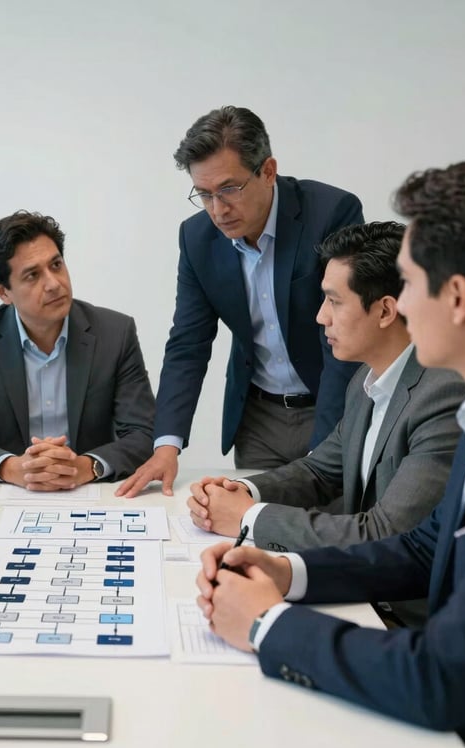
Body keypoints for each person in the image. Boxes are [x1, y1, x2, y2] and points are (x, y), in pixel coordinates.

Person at [195, 157, 465, 748]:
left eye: (411, 283)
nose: (403, 303)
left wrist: (265, 626)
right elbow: (423, 548)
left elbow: (443, 677)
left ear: (458, 298)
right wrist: (286, 573)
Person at [118, 106, 364, 498]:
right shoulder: (197, 238)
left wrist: (325, 446)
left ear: (268, 171)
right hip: (258, 418)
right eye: (204, 194)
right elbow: (188, 344)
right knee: (250, 534)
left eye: (229, 189)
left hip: (330, 404)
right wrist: (167, 445)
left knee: (323, 531)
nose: (218, 210)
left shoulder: (330, 213)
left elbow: (343, 334)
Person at [188, 221, 465, 553]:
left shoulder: (444, 395)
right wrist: (240, 491)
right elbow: (319, 471)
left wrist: (248, 517)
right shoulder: (365, 381)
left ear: (385, 311)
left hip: (404, 601)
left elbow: (387, 531)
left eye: (334, 302)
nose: (321, 317)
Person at [0, 211, 155, 489]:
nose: (53, 284)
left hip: (91, 492)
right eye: (32, 275)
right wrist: (12, 467)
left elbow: (143, 433)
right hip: (8, 495)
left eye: (56, 265)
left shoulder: (114, 333)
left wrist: (86, 466)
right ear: (3, 292)